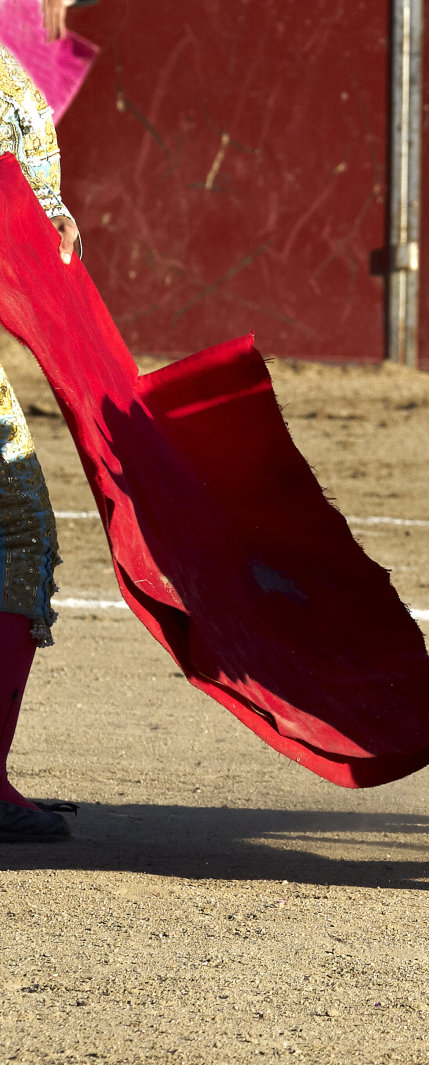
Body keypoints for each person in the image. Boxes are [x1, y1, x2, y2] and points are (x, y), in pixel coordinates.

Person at [0, 40, 79, 841]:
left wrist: (44, 218)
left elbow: (32, 205)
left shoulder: (12, 74)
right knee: (15, 529)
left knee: (15, 530)